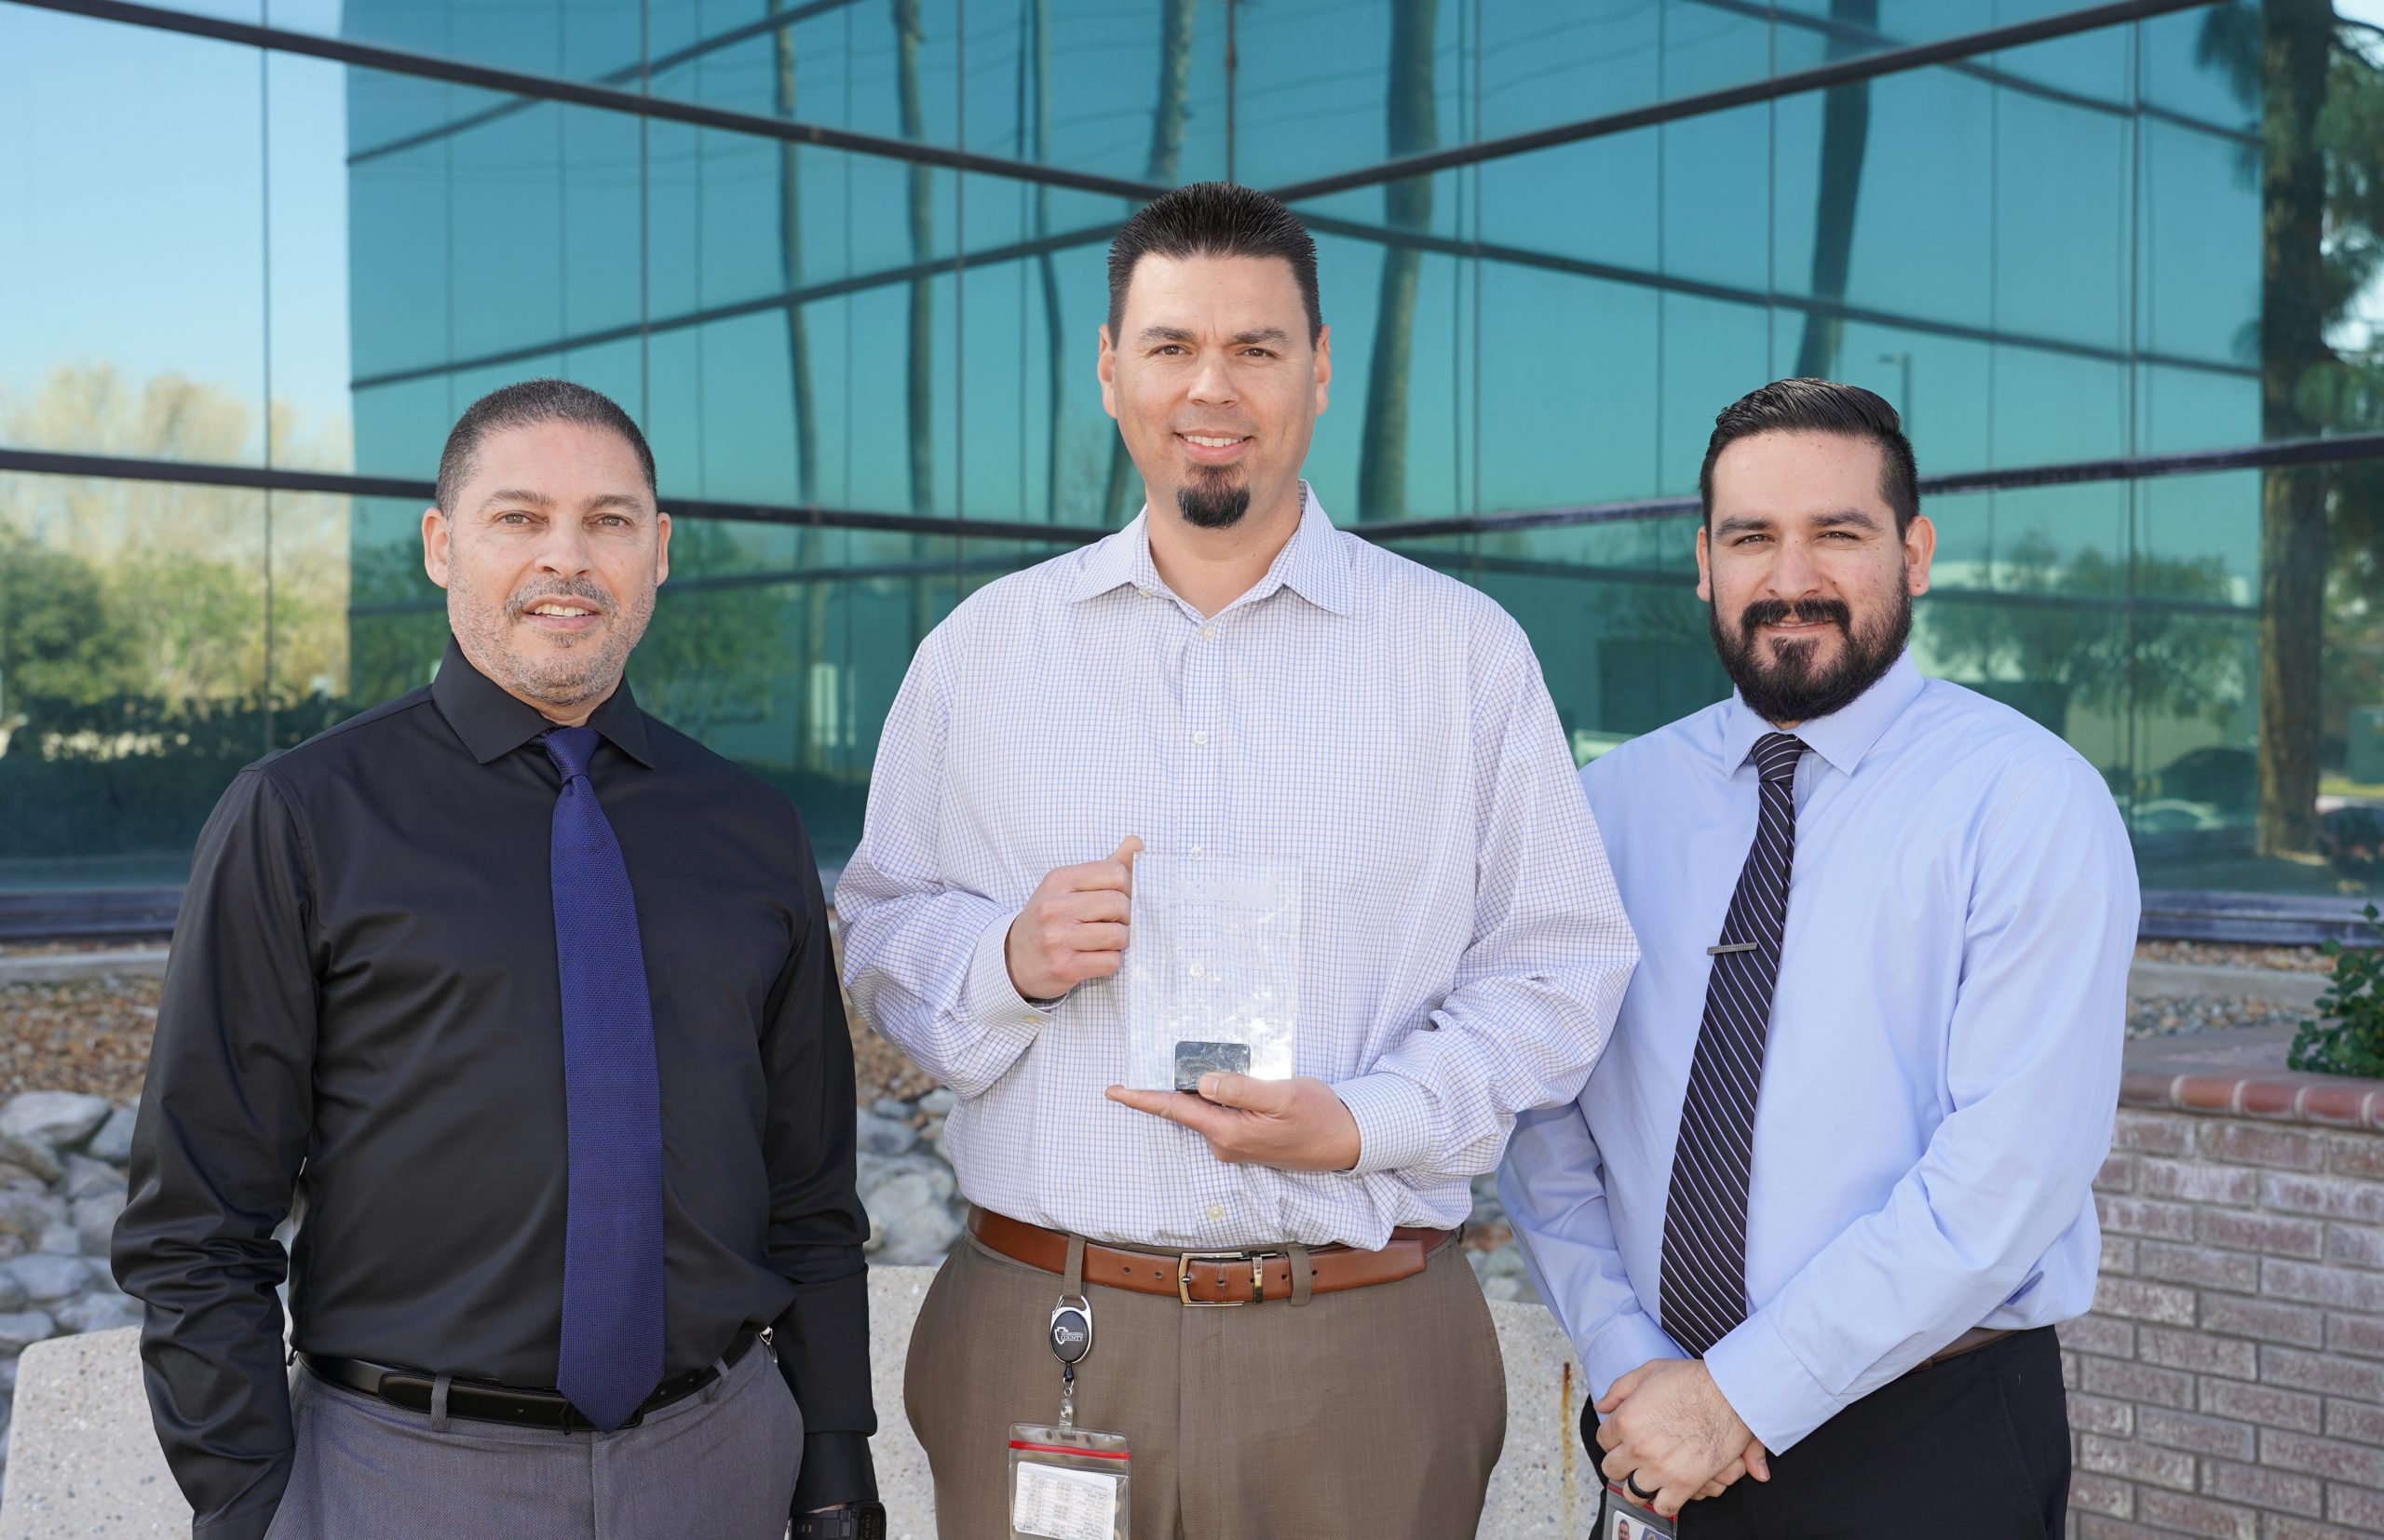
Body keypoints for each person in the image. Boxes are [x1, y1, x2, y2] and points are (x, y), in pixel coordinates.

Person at [835, 181, 1639, 1537]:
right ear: (1109, 369)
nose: (1213, 387)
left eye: (1258, 347)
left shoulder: (1464, 656)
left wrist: (1367, 1119)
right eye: (1170, 346)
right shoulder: (985, 650)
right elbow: (879, 929)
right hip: (1050, 1335)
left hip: (1360, 1339)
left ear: (1320, 369)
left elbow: (1559, 969)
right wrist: (1005, 959)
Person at [114, 380, 883, 1540]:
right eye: (517, 518)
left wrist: (833, 1464)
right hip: (405, 1476)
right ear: (440, 545)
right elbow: (195, 1219)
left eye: (609, 521)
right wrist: (247, 1503)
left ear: (660, 552)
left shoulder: (751, 829)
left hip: (718, 1466)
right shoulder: (301, 816)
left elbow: (810, 1195)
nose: (566, 559)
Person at [1500, 378, 2137, 1538]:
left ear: (1914, 550)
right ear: (1703, 561)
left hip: (1926, 1433)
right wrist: (1628, 1360)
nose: (1790, 579)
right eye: (1751, 537)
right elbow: (1546, 1119)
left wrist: (1736, 1394)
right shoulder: (1605, 808)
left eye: (1836, 534)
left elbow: (2004, 1175)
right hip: (1650, 1423)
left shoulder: (2028, 802)